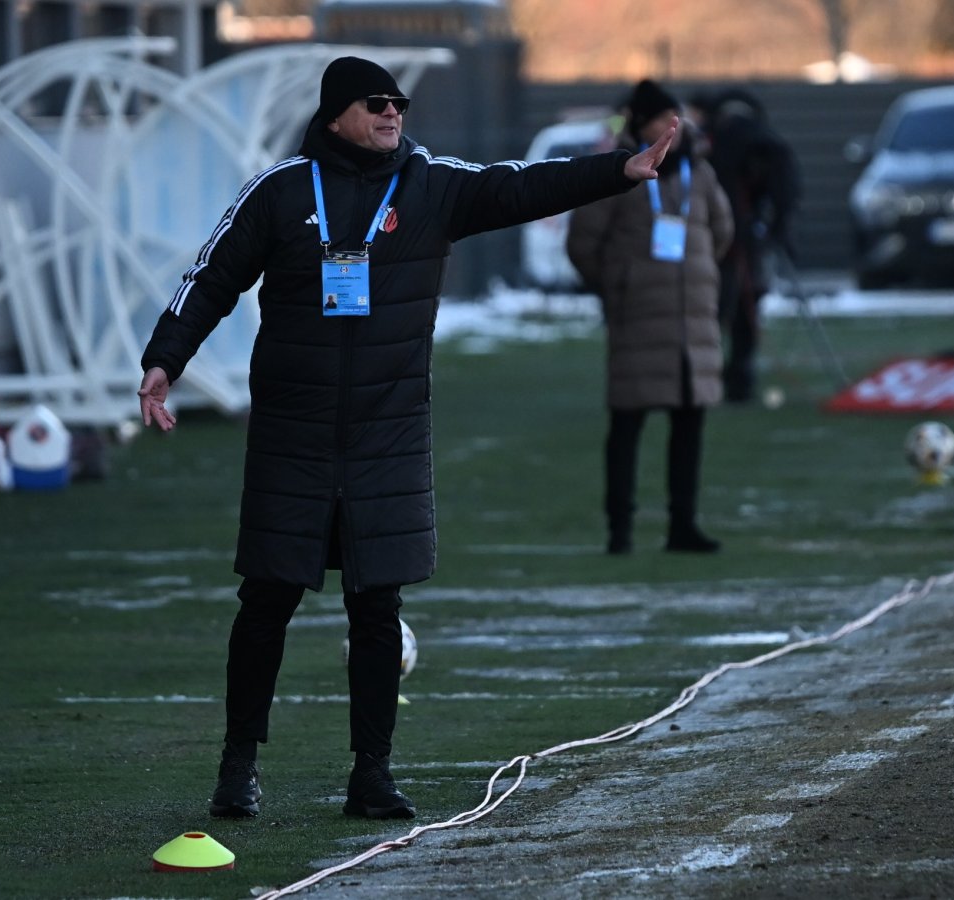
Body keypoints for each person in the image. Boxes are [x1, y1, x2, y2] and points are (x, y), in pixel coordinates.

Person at [138, 56, 677, 820]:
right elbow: (211, 277)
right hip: (292, 433)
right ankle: (238, 766)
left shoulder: (430, 186)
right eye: (376, 102)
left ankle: (372, 773)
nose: (393, 112)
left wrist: (619, 169)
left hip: (387, 435)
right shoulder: (281, 191)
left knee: (377, 606)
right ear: (336, 114)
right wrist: (165, 360)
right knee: (266, 600)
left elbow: (521, 185)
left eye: (398, 102)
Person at [567, 79, 733, 556]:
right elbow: (583, 244)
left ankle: (684, 525)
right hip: (637, 319)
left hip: (692, 323)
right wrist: (619, 286)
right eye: (659, 119)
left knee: (689, 427)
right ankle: (620, 530)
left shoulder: (700, 172)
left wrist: (698, 277)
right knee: (626, 428)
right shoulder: (618, 172)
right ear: (640, 124)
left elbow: (722, 233)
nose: (669, 128)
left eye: (673, 118)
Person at [688, 88, 801, 403]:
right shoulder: (766, 138)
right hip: (748, 240)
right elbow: (784, 190)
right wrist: (778, 230)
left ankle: (709, 378)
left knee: (716, 309)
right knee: (745, 311)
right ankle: (740, 378)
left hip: (720, 241)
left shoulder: (716, 139)